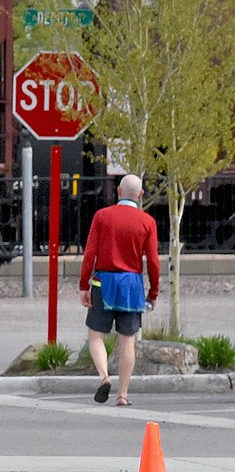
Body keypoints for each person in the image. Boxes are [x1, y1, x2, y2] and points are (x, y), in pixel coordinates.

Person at [78, 173, 160, 407]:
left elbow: (89, 254)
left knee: (96, 335)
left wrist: (84, 285)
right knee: (127, 341)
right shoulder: (147, 222)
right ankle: (122, 394)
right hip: (132, 285)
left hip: (103, 283)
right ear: (141, 195)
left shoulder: (102, 216)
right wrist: (153, 293)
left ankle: (104, 376)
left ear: (118, 192)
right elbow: (153, 261)